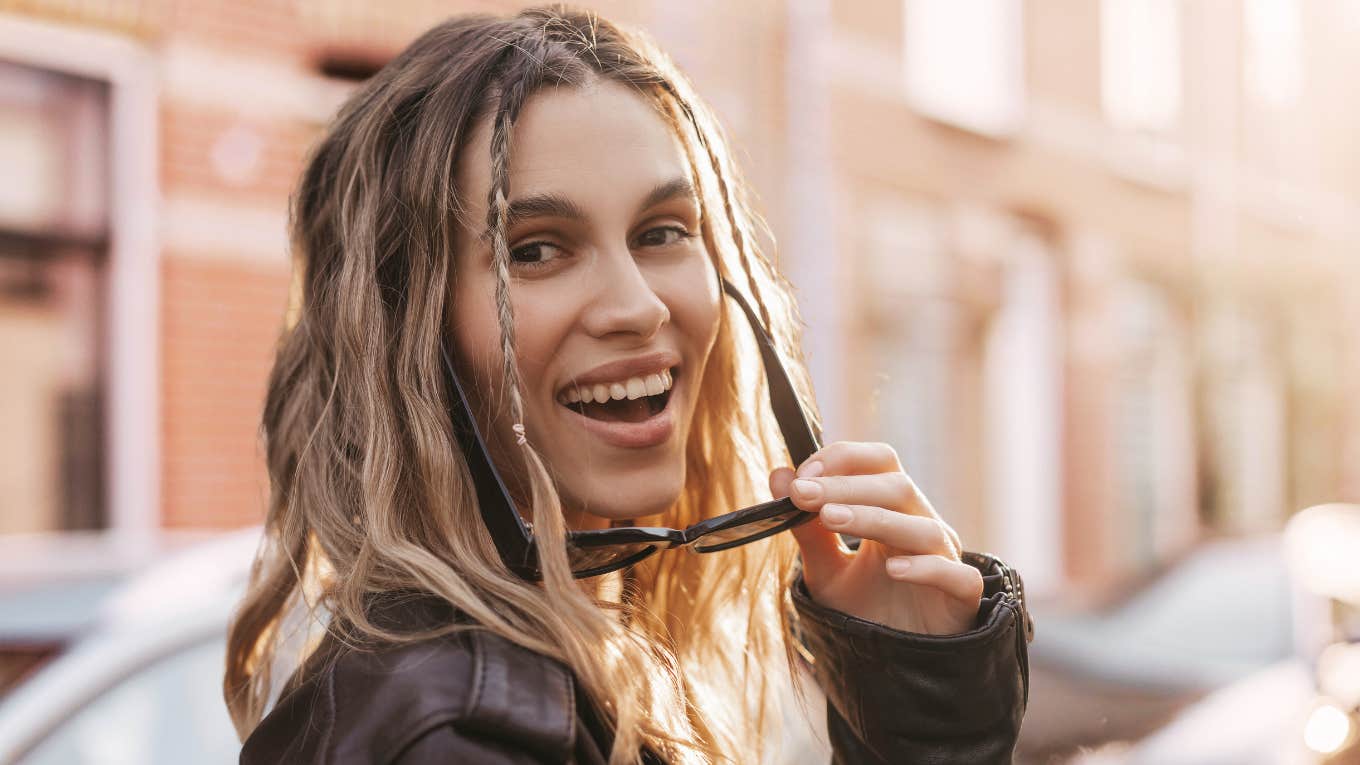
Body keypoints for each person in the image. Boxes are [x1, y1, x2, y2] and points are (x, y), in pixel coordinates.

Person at [225, 6, 1033, 764]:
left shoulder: (546, 682)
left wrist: (918, 707)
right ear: (405, 331)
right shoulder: (460, 733)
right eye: (536, 249)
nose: (639, 306)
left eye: (662, 232)